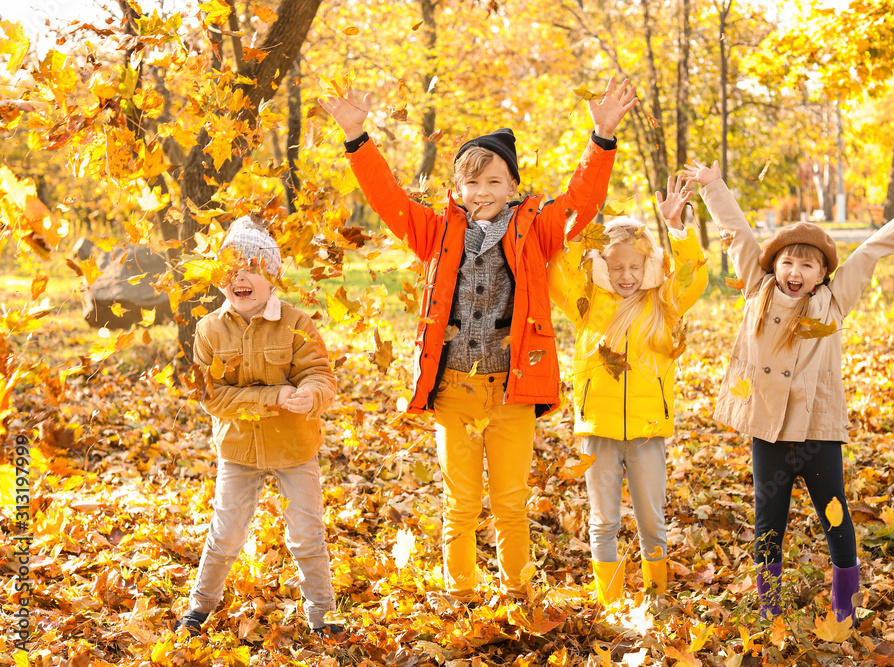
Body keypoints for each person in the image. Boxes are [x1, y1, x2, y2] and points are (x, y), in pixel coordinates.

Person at [319, 77, 637, 603]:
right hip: (455, 392)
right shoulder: (437, 231)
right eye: (471, 183)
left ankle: (519, 596)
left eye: (493, 181)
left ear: (512, 185)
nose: (482, 193)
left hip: (511, 391)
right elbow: (387, 198)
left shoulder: (536, 228)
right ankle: (461, 598)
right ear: (457, 190)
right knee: (461, 505)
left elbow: (583, 200)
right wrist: (357, 136)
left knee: (510, 504)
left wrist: (601, 137)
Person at [682, 159, 894, 625]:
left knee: (835, 515)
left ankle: (844, 607)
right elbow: (738, 235)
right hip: (769, 432)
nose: (795, 270)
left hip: (818, 433)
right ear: (775, 266)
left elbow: (870, 250)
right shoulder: (757, 288)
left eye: (807, 264)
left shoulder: (834, 300)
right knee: (769, 520)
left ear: (823, 272)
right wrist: (713, 187)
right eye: (788, 261)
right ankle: (769, 606)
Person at [176, 216, 342, 636]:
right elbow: (212, 396)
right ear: (220, 279)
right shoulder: (208, 329)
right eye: (231, 270)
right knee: (225, 533)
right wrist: (274, 396)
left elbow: (320, 373)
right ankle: (200, 606)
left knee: (307, 534)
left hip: (294, 446)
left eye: (252, 267)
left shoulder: (297, 323)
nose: (241, 277)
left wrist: (311, 393)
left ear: (272, 277)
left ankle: (323, 616)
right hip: (238, 450)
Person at [548, 177, 708, 604]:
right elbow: (557, 273)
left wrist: (675, 227)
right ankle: (611, 604)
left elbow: (693, 278)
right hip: (596, 427)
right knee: (603, 522)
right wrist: (576, 229)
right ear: (601, 267)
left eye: (635, 267)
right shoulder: (586, 303)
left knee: (652, 519)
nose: (626, 276)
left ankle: (656, 598)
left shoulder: (662, 303)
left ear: (649, 267)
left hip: (647, 429)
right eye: (616, 267)